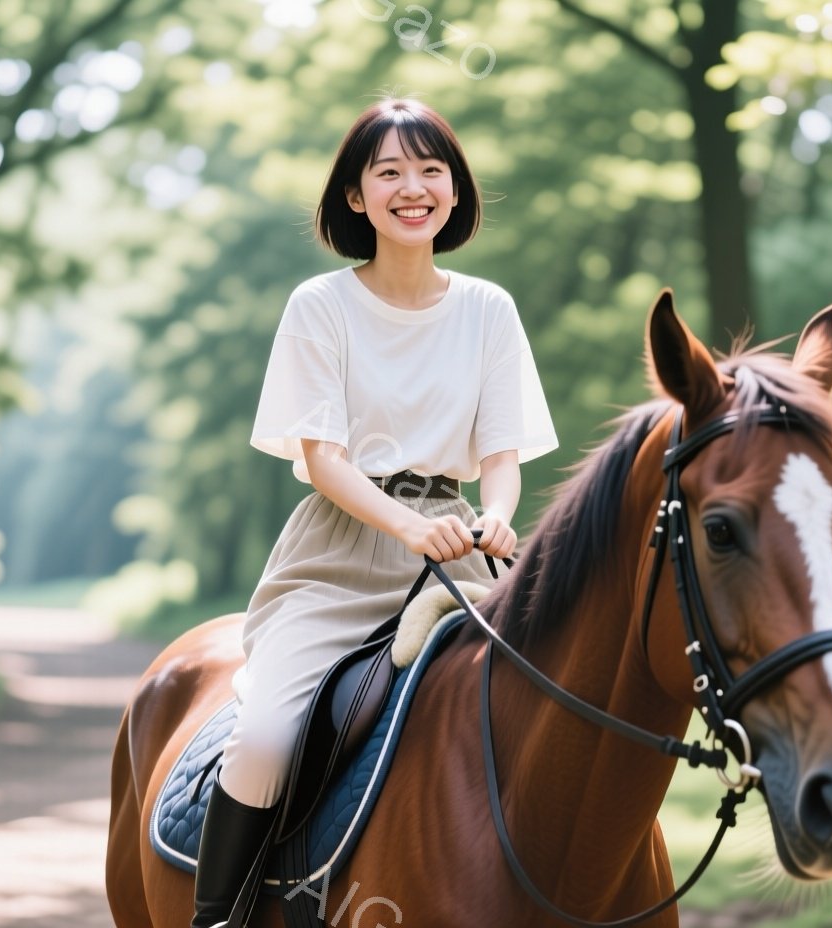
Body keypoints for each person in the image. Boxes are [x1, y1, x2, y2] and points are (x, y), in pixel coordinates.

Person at [191, 97, 558, 928]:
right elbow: (322, 458)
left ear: (455, 192)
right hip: (340, 558)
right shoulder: (320, 306)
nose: (412, 187)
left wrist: (497, 517)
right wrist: (404, 526)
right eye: (388, 171)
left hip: (460, 554)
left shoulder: (489, 310)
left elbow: (501, 458)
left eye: (431, 170)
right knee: (261, 741)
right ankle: (217, 917)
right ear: (356, 197)